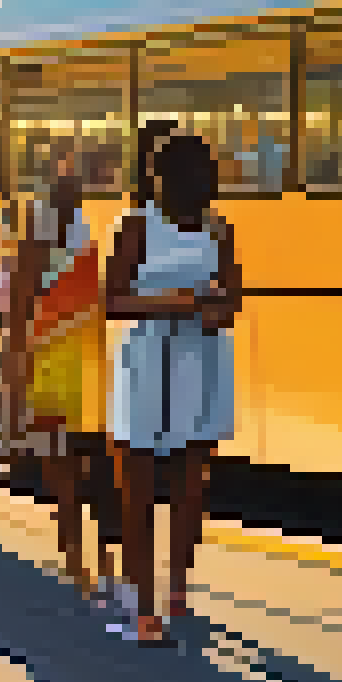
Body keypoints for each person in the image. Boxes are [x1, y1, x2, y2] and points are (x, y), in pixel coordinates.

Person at [104, 133, 242, 645]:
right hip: (150, 361)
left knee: (184, 488)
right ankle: (148, 605)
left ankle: (171, 594)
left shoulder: (218, 229)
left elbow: (232, 302)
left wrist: (204, 309)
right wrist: (179, 304)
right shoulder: (137, 227)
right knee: (149, 490)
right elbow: (112, 301)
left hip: (196, 362)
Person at [9, 148, 113, 604]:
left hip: (83, 354)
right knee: (65, 461)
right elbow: (23, 291)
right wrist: (20, 357)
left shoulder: (83, 222)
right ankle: (76, 554)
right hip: (54, 354)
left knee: (90, 461)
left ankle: (96, 558)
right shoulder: (44, 222)